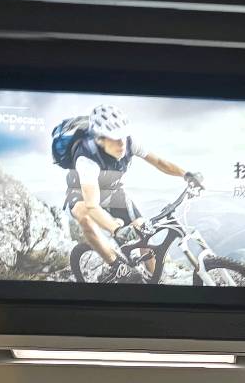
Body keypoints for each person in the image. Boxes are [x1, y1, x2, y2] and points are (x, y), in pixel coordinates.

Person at [61, 103, 204, 279]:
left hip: (113, 191)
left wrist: (186, 175)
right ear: (100, 139)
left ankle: (155, 279)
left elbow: (159, 162)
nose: (122, 142)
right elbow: (92, 205)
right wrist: (116, 229)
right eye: (115, 138)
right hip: (82, 194)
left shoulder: (129, 142)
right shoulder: (86, 159)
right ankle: (116, 266)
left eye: (123, 135)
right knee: (85, 218)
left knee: (143, 230)